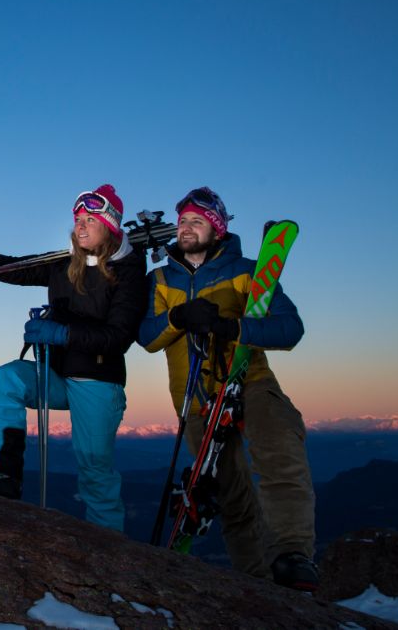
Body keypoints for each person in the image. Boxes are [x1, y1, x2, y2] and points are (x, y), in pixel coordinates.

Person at [137, 187, 317, 591]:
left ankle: (292, 553)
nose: (186, 228)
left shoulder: (249, 271)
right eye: (183, 221)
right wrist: (179, 317)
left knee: (280, 453)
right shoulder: (161, 279)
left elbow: (290, 330)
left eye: (197, 221)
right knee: (230, 491)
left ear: (217, 229)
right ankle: (253, 579)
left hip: (250, 381)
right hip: (196, 399)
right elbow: (147, 338)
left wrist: (232, 327)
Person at [0, 184, 147, 532]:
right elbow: (22, 268)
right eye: (77, 219)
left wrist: (62, 332)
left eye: (90, 220)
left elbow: (118, 338)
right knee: (7, 377)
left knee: (94, 471)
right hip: (57, 373)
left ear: (110, 225)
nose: (80, 226)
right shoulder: (63, 264)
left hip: (98, 380)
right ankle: (1, 471)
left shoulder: (129, 272)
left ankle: (111, 555)